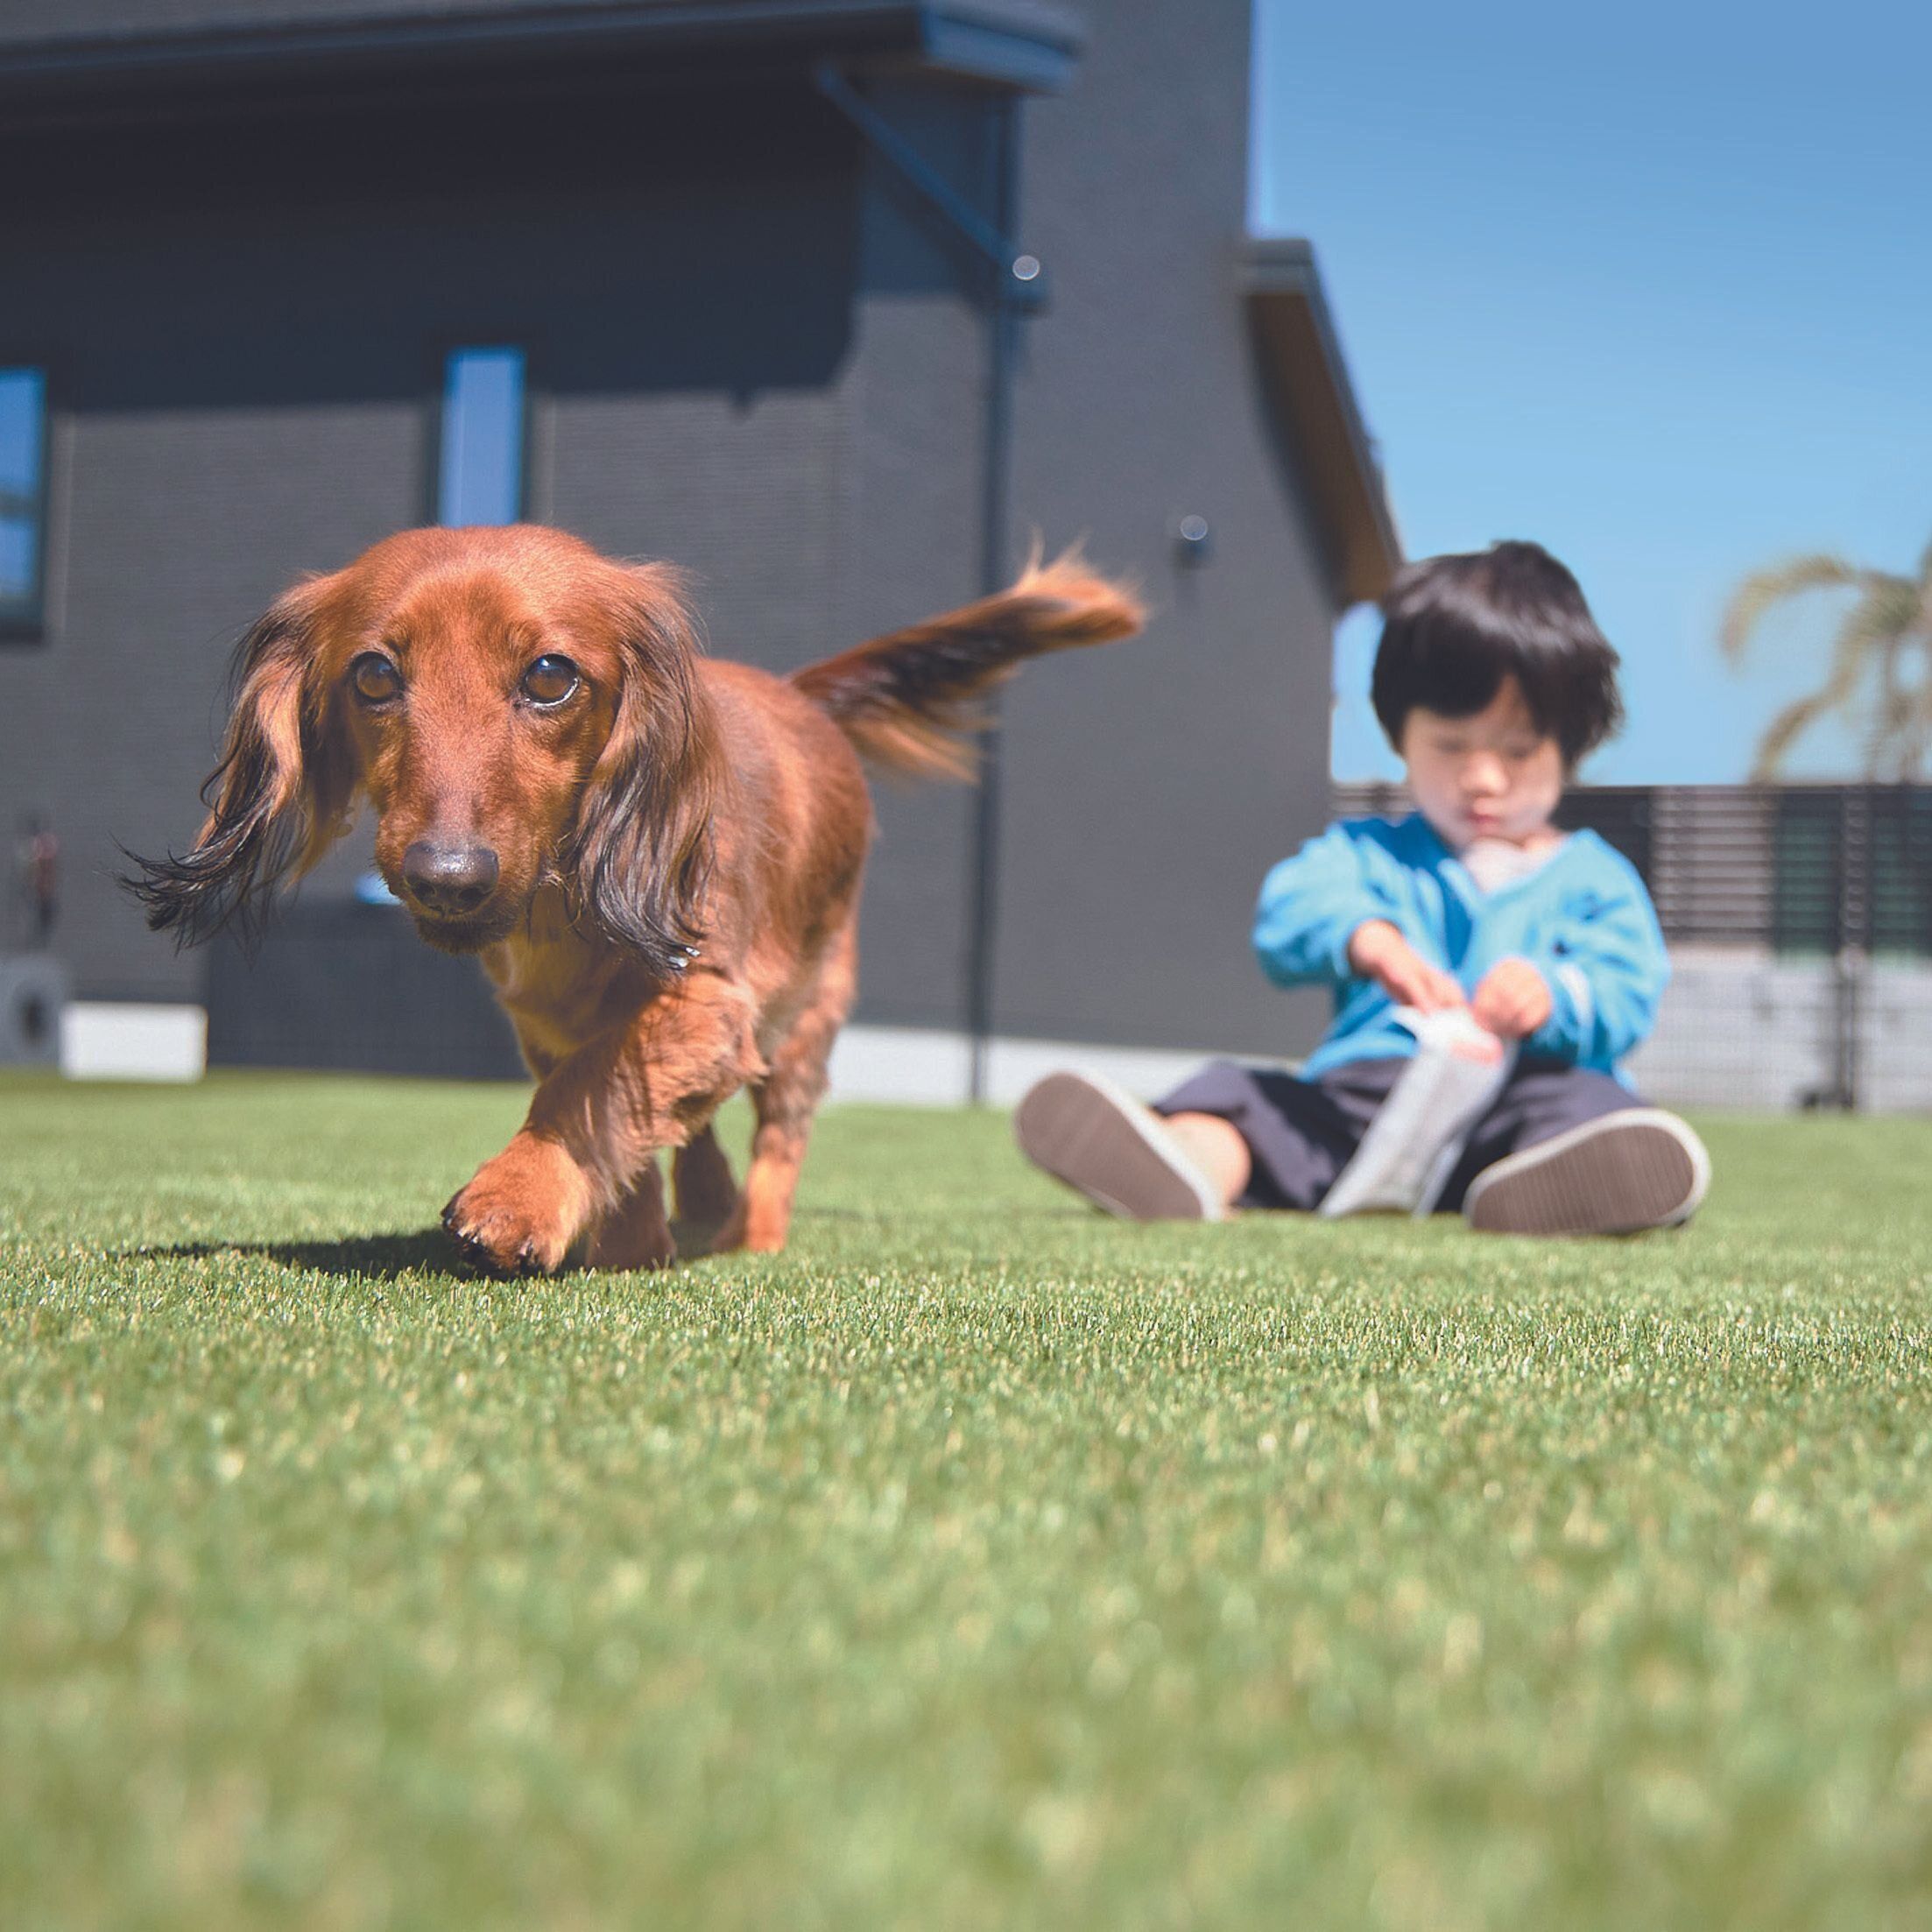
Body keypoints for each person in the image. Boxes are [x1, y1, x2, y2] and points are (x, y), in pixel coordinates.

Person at [1015, 540, 1710, 1237]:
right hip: (1360, 1099)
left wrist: (1554, 995)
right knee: (1243, 1098)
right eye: (1450, 745)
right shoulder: (1366, 853)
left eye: (1518, 750)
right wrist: (1367, 939)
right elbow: (1289, 913)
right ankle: (1190, 1163)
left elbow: (1627, 986)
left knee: (1592, 1106)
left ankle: (1558, 1193)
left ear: (1573, 743)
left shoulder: (1595, 876)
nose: (1483, 779)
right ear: (1400, 736)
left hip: (1518, 1100)